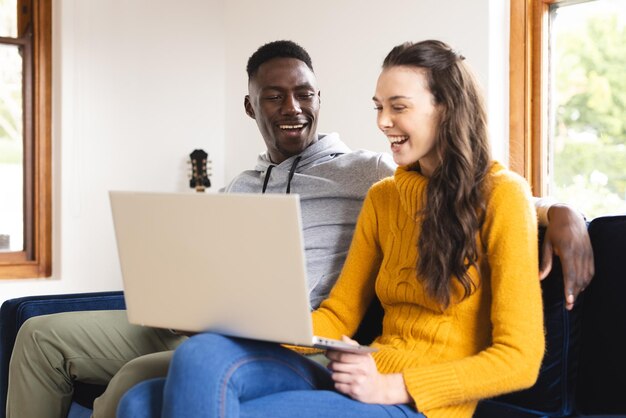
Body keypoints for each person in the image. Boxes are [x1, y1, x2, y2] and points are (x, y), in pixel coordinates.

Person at [6, 40, 592, 418]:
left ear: (446, 108)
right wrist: (262, 328)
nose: (383, 122)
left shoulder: (499, 196)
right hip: (352, 361)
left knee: (140, 399)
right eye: (377, 106)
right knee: (193, 362)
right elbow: (337, 313)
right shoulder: (386, 196)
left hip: (415, 397)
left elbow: (519, 360)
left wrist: (400, 386)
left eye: (399, 107)